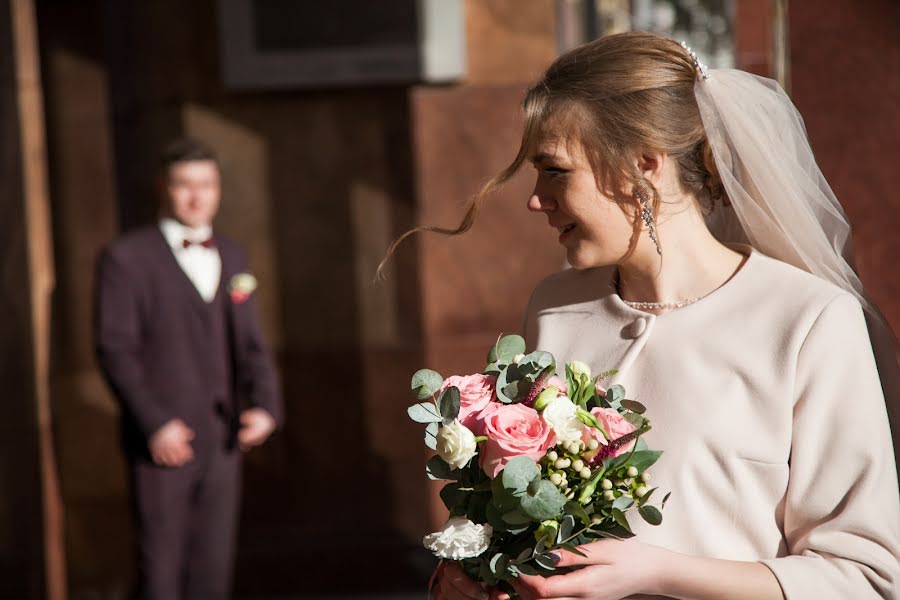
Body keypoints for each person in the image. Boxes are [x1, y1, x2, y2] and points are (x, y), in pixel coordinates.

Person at [408, 33, 900, 600]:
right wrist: (474, 573)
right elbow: (525, 521)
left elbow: (863, 578)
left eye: (555, 170)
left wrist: (658, 571)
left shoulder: (809, 320)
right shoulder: (554, 307)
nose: (535, 200)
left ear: (644, 165)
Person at [95, 138, 283, 600]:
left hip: (223, 439)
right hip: (161, 443)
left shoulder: (234, 255)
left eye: (207, 185)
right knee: (160, 572)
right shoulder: (126, 258)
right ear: (165, 188)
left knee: (213, 571)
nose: (197, 197)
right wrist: (155, 423)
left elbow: (252, 342)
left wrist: (266, 406)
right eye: (185, 185)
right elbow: (114, 348)